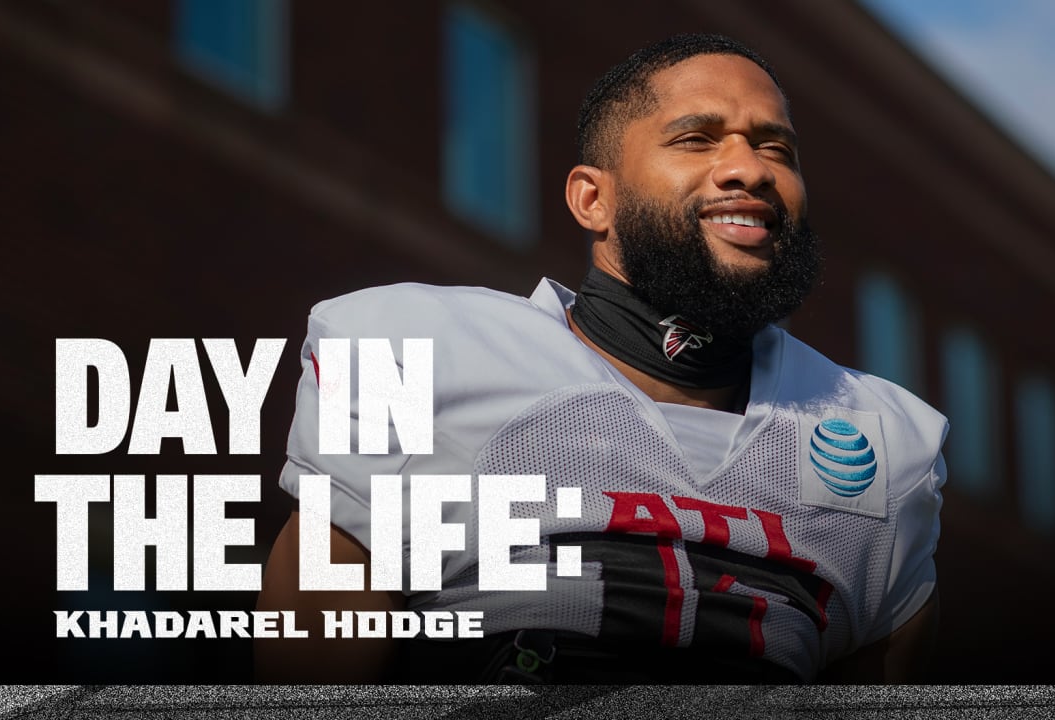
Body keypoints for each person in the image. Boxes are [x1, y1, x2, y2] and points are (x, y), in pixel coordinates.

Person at [255, 33, 947, 684]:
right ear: (593, 198)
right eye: (697, 138)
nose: (750, 169)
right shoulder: (416, 351)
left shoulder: (885, 443)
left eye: (777, 148)